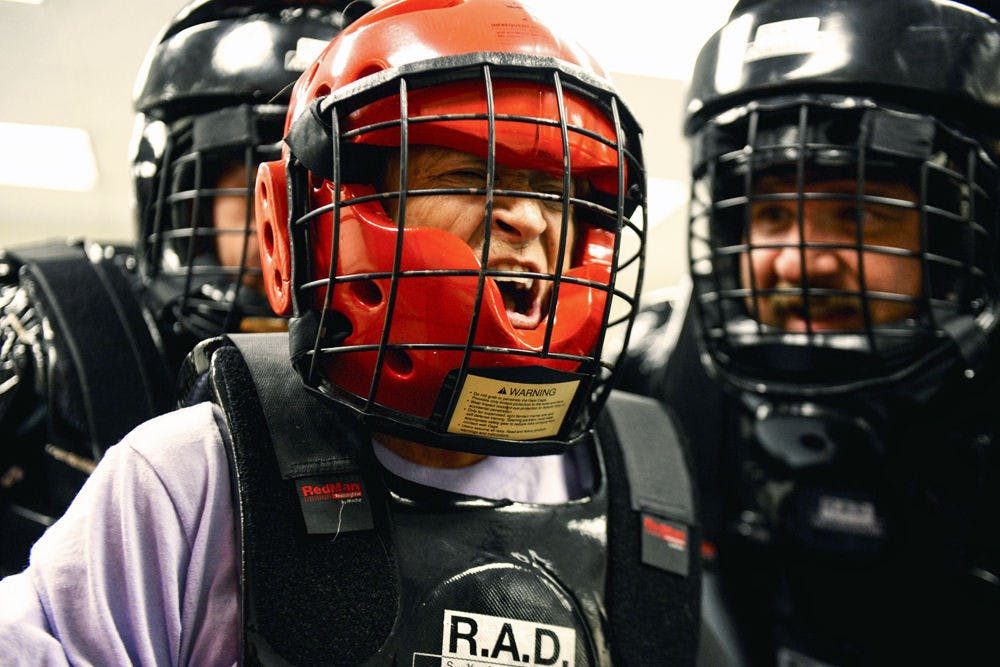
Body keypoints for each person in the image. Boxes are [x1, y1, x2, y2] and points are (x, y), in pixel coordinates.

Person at [0, 0, 702, 664]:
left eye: (559, 191)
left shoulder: (643, 486)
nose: (531, 219)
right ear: (316, 218)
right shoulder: (190, 478)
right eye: (467, 171)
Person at [619, 0, 1000, 664]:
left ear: (962, 228)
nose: (798, 261)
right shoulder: (655, 378)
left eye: (857, 211)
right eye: (767, 212)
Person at [0, 0, 362, 576]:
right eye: (260, 181)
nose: (295, 219)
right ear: (181, 191)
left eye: (330, 189)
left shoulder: (386, 372)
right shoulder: (49, 329)